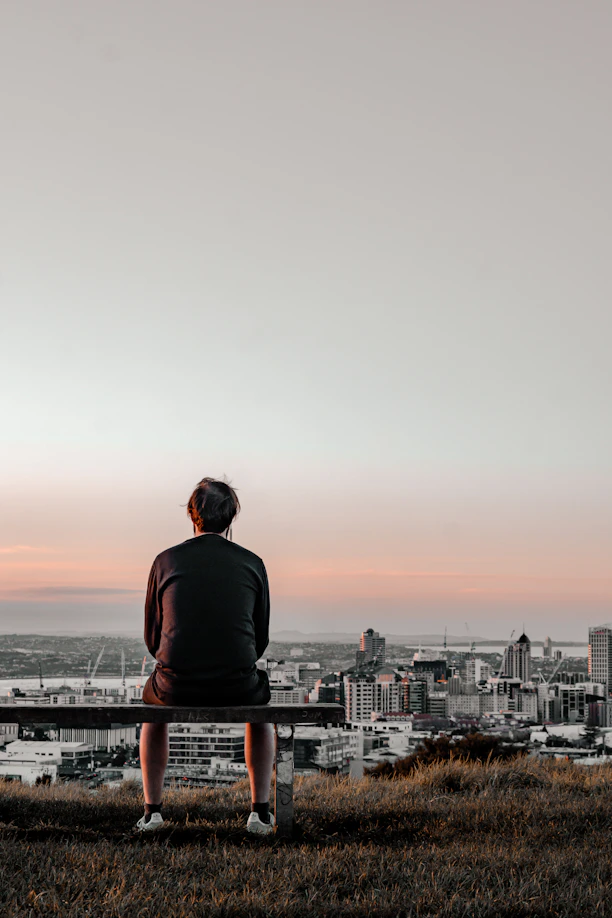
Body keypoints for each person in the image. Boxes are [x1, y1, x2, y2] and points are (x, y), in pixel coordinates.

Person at [134, 477, 275, 835]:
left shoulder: (165, 561)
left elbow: (153, 637)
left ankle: (152, 813)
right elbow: (260, 639)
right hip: (239, 686)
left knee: (153, 710)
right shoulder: (253, 564)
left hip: (174, 685)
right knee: (260, 713)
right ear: (231, 519)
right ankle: (260, 812)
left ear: (191, 515)